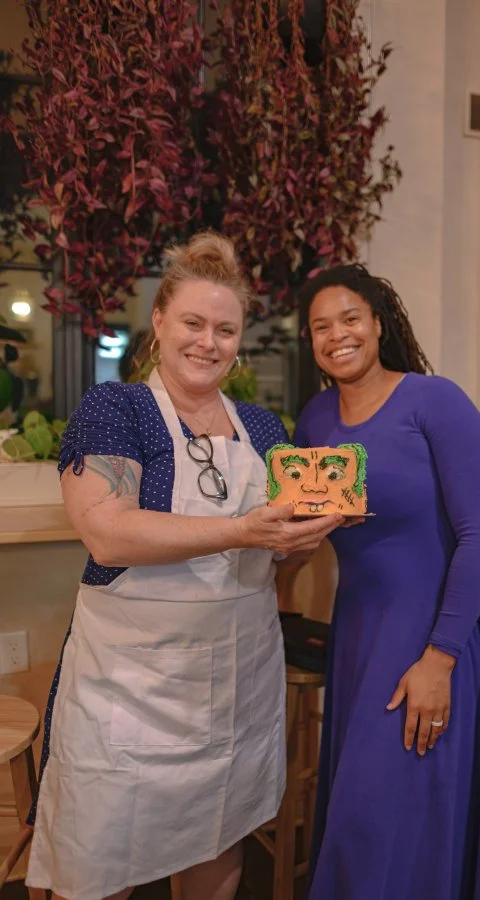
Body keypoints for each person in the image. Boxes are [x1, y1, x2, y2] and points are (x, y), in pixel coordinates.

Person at [25, 232, 344, 900]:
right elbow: (107, 533)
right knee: (101, 863)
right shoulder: (117, 409)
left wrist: (298, 541)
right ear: (160, 322)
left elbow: (274, 553)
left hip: (235, 693)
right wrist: (243, 528)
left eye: (225, 329)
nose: (208, 342)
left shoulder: (263, 428)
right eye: (193, 324)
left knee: (215, 844)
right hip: (130, 693)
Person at [292, 264, 480, 900]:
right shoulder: (314, 422)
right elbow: (303, 537)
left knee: (407, 817)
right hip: (361, 634)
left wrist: (440, 658)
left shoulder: (435, 401)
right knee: (365, 814)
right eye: (320, 327)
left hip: (438, 633)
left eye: (349, 319)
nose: (337, 335)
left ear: (378, 322)